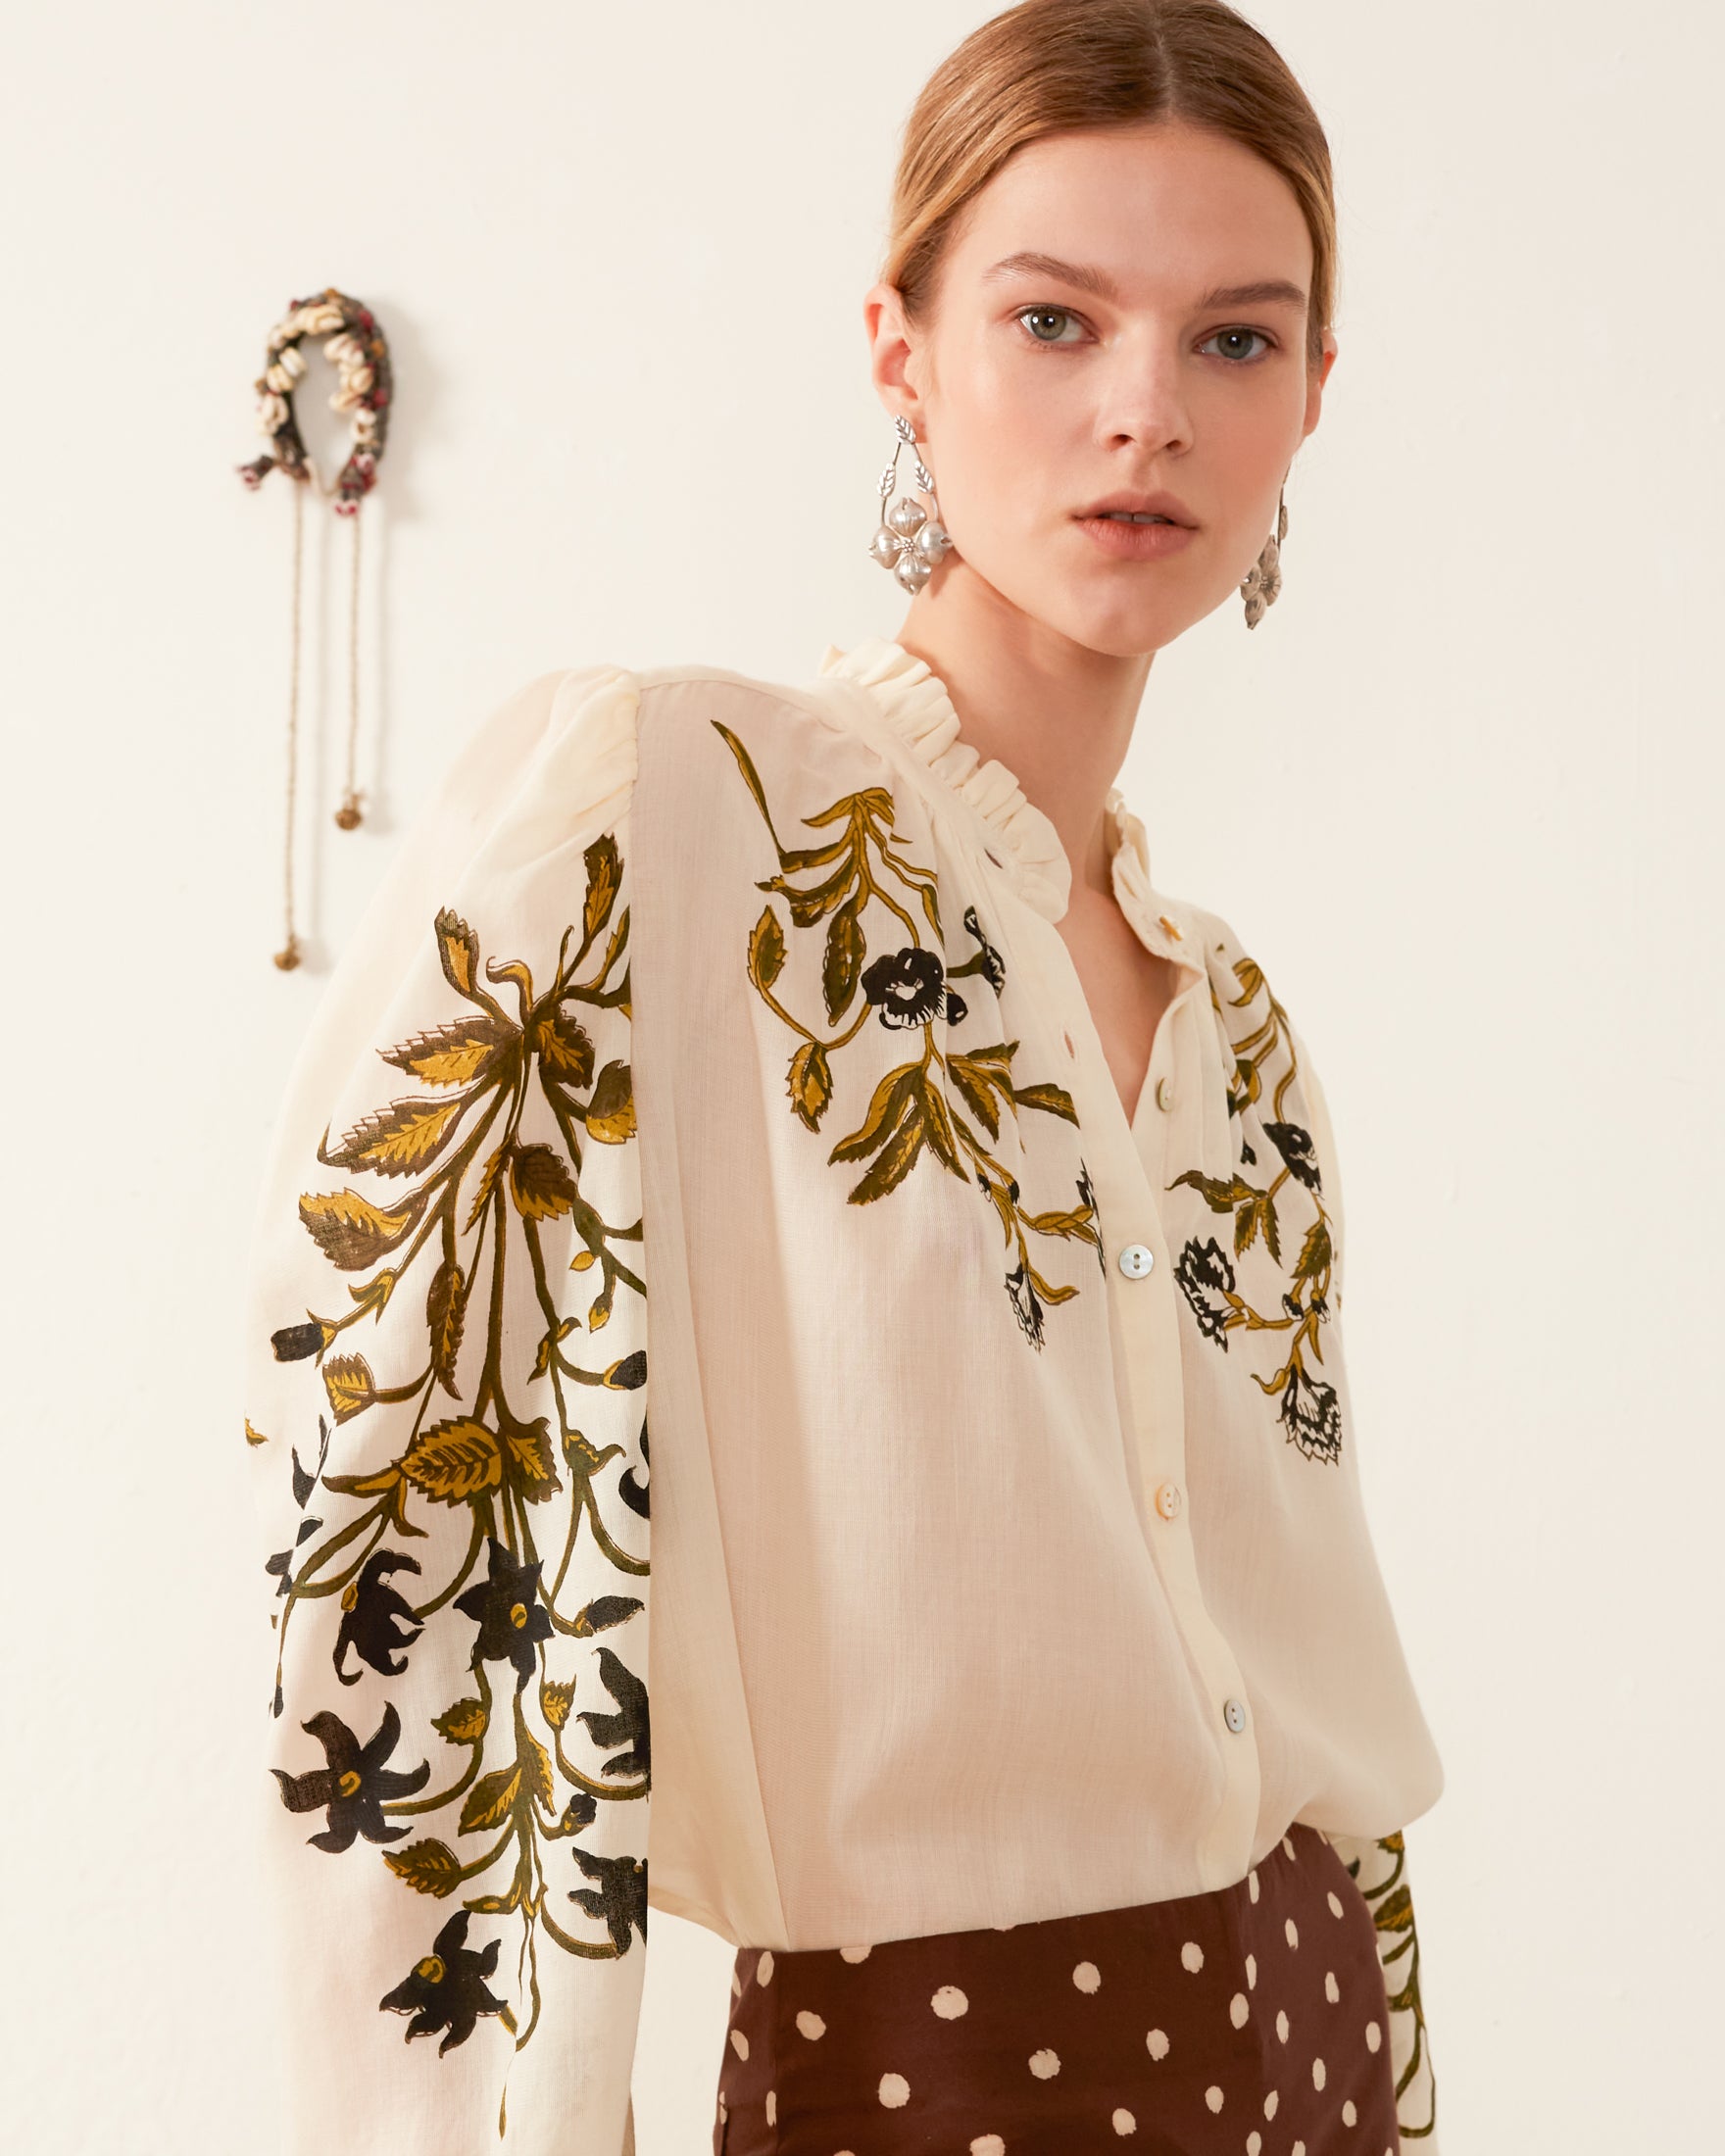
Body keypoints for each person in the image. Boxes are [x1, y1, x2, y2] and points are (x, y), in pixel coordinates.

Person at [241, 3, 1446, 2150]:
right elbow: (387, 1514)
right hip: (937, 2075)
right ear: (898, 346)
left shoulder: (1235, 1029)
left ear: (1318, 396)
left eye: (1236, 342)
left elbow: (1317, 1707)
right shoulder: (664, 811)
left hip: (1316, 2040)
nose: (1143, 415)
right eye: (1054, 320)